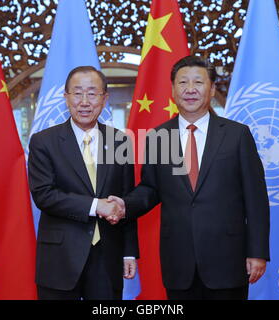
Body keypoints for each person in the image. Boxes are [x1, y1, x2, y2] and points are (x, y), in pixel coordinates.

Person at [109, 55, 270, 300]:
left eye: (198, 82)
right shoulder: (158, 137)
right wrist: (124, 205)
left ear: (212, 88)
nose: (190, 89)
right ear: (173, 89)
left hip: (228, 259)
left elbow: (256, 198)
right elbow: (151, 189)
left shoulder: (237, 135)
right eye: (183, 83)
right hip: (179, 261)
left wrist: (257, 251)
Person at [28, 66, 138, 300]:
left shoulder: (120, 141)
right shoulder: (44, 142)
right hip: (61, 257)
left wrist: (129, 253)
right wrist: (96, 205)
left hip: (107, 255)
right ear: (66, 97)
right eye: (77, 93)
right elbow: (44, 195)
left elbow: (126, 198)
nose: (84, 101)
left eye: (92, 93)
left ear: (105, 98)